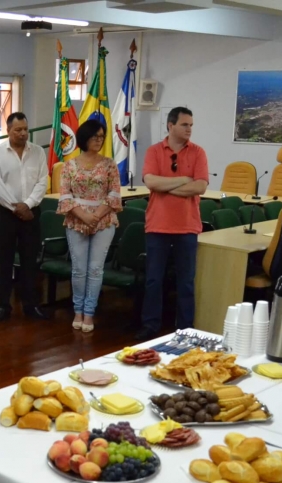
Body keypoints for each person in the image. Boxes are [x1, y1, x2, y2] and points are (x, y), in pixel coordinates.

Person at [137, 106, 209, 340]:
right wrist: (182, 180)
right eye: (184, 125)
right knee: (153, 280)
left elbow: (200, 186)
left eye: (191, 125)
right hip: (157, 226)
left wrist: (166, 184)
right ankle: (150, 326)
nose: (189, 129)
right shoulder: (154, 151)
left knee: (186, 281)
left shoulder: (198, 152)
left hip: (187, 227)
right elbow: (150, 182)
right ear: (171, 125)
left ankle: (185, 328)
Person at [56, 119, 122, 333]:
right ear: (85, 138)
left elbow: (114, 194)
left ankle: (89, 313)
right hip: (77, 219)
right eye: (95, 136)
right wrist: (84, 215)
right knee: (79, 269)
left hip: (103, 220)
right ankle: (77, 310)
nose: (99, 140)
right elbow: (65, 196)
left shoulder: (109, 164)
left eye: (102, 137)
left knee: (95, 269)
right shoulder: (69, 166)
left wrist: (96, 215)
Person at [0, 112, 50, 323]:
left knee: (29, 262)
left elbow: (42, 182)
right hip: (6, 213)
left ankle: (30, 305)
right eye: (18, 130)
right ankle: (3, 305)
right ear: (8, 130)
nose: (23, 133)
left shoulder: (38, 152)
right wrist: (17, 208)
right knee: (4, 261)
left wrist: (28, 205)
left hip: (31, 212)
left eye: (25, 129)